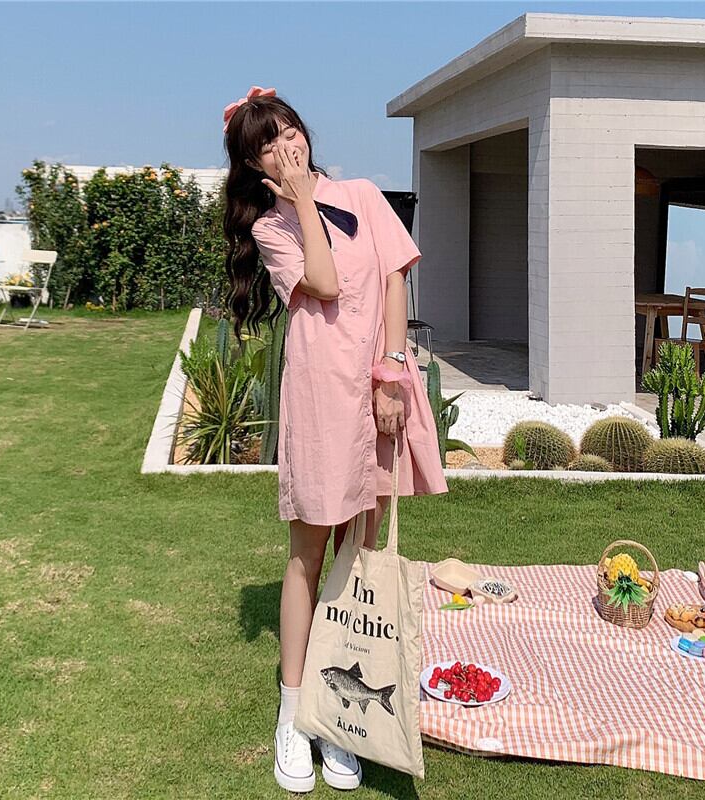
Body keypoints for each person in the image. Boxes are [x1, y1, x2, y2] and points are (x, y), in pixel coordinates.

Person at [222, 86, 448, 793]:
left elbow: (392, 283)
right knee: (310, 552)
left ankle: (340, 712)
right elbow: (321, 281)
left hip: (376, 388)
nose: (285, 145)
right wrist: (300, 200)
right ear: (253, 166)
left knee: (362, 549)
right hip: (321, 396)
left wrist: (393, 373)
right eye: (267, 143)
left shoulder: (363, 194)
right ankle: (296, 714)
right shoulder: (272, 229)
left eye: (288, 129)